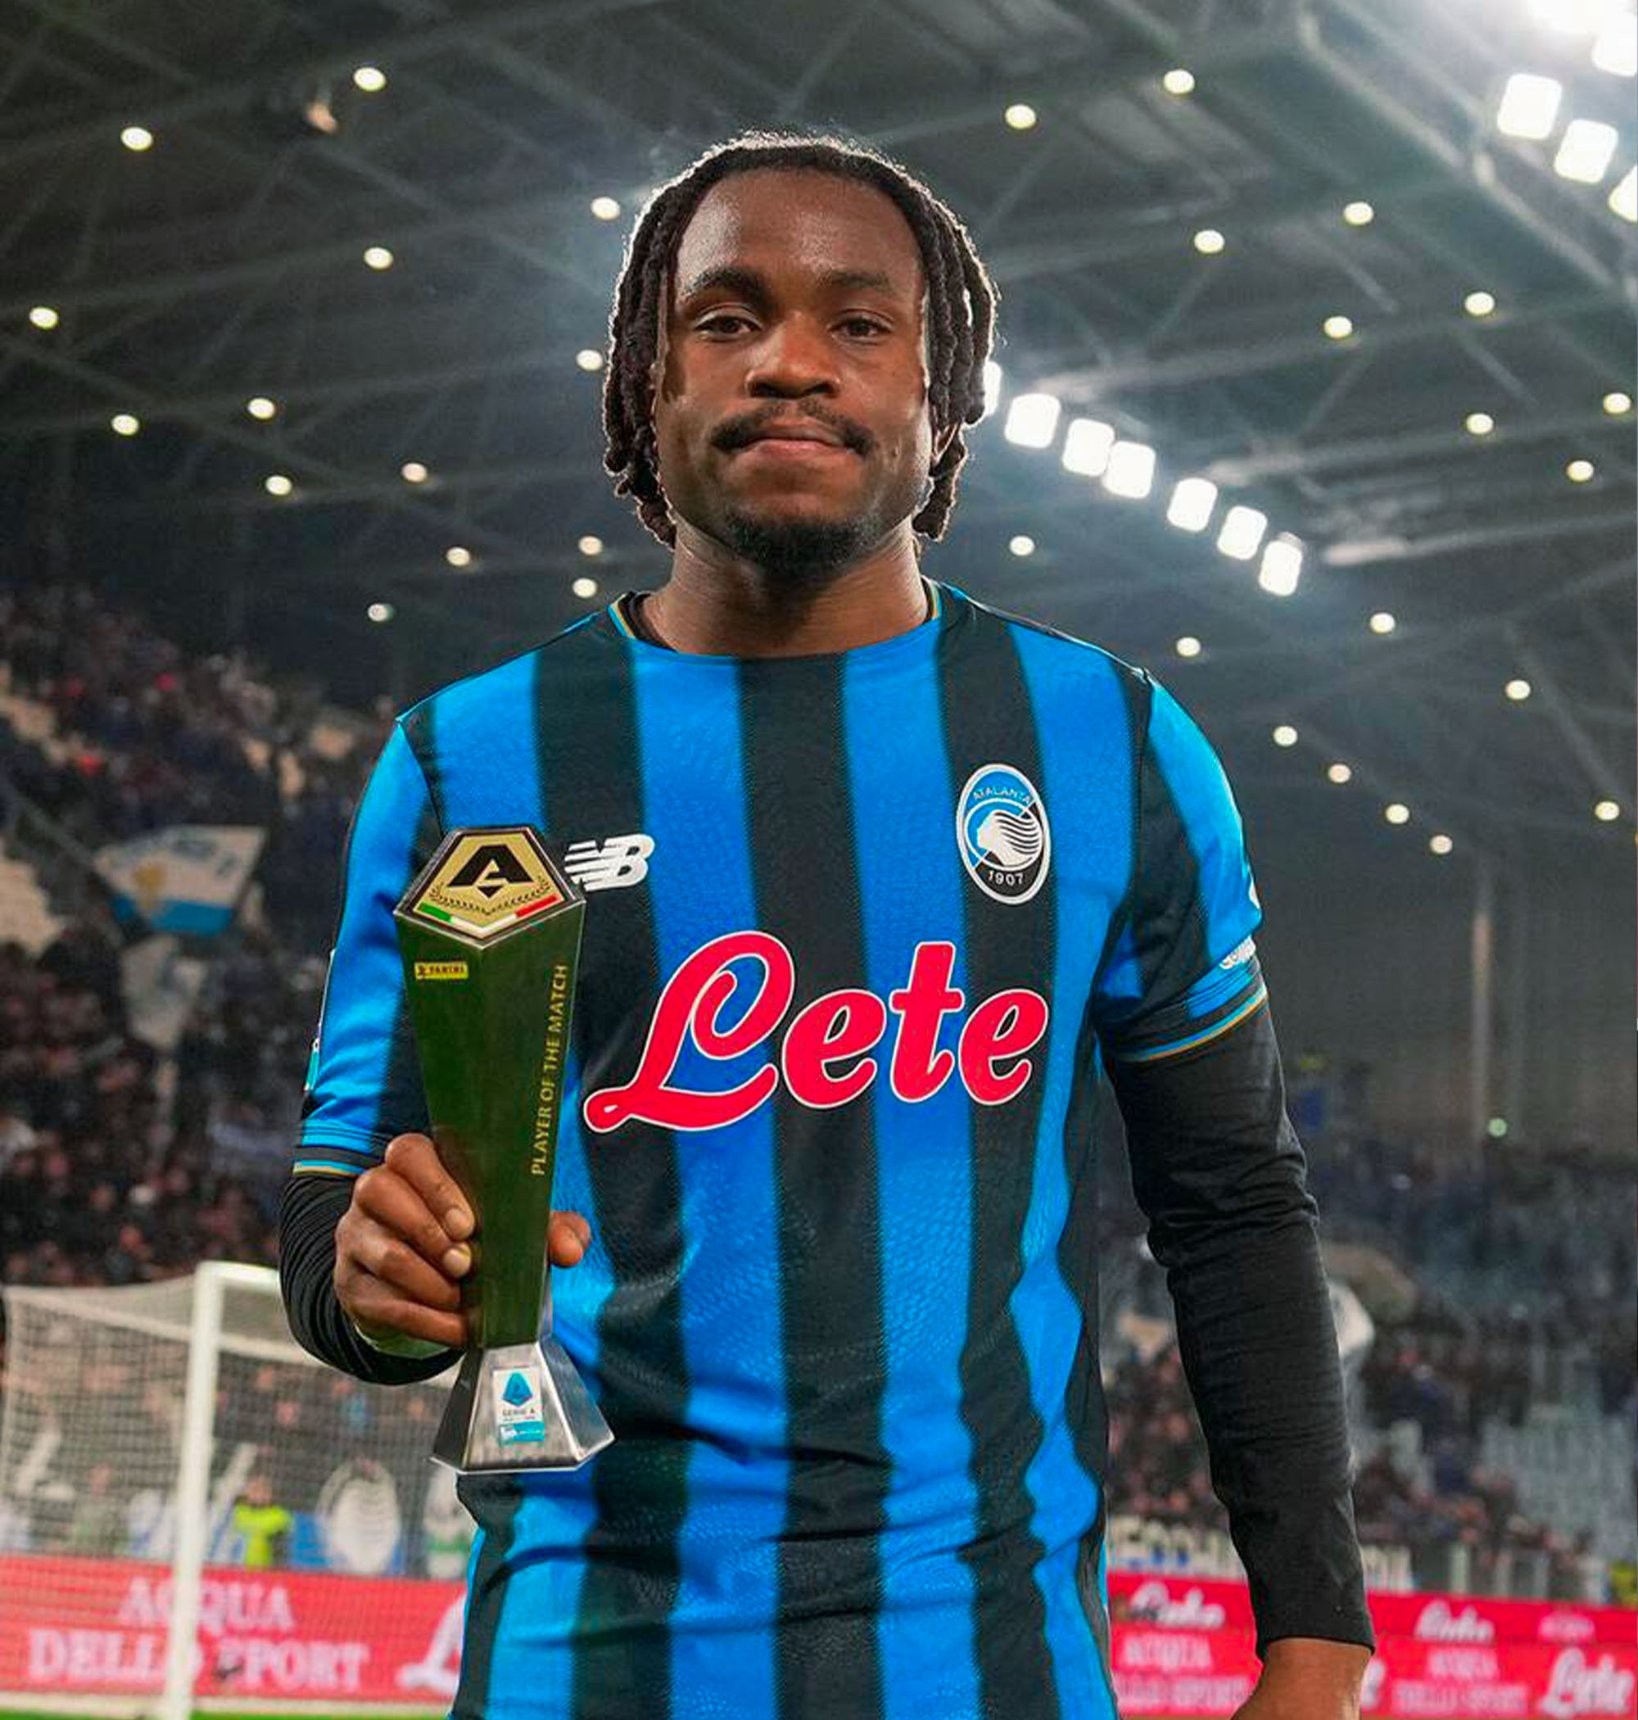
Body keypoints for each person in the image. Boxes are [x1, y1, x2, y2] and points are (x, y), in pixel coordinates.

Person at [280, 130, 1375, 1720]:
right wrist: (380, 1286)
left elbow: (1232, 1205)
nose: (790, 361)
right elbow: (337, 1216)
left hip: (990, 1664)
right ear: (646, 381)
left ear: (943, 395)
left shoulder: (1112, 747)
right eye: (725, 318)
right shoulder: (467, 760)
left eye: (858, 323)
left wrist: (1314, 1636)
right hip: (582, 1664)